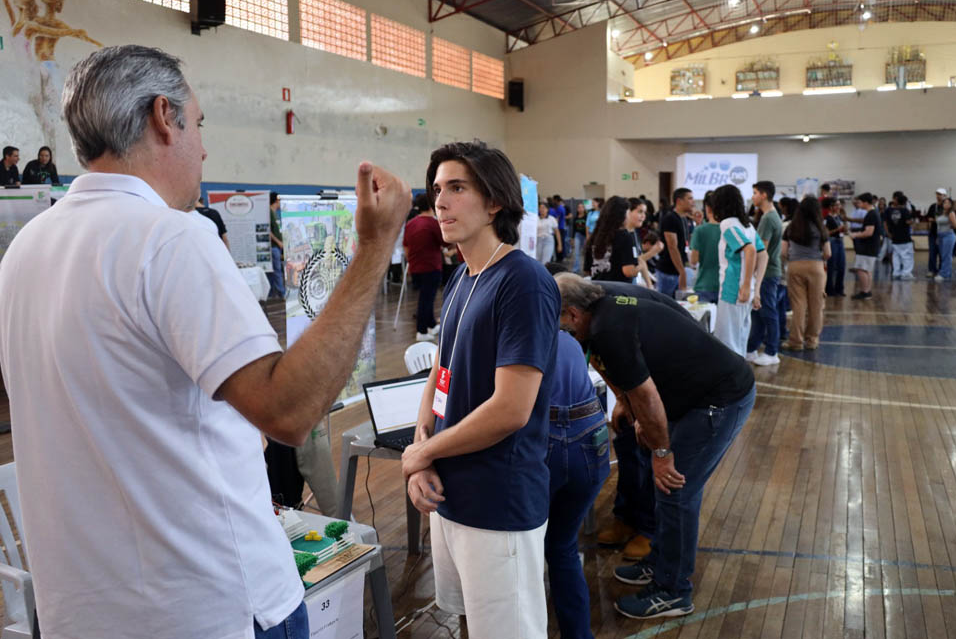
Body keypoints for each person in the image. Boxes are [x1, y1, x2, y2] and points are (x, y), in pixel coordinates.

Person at [0, 45, 412, 639]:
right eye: (199, 124)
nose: (203, 148)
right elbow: (290, 412)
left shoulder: (26, 249)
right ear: (163, 117)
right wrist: (373, 248)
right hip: (204, 606)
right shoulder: (171, 238)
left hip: (82, 609)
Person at [401, 141, 559, 638]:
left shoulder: (524, 282)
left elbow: (511, 409)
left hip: (498, 502)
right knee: (470, 622)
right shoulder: (462, 277)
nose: (440, 202)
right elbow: (440, 369)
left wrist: (423, 453)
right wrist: (422, 450)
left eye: (457, 188)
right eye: (436, 189)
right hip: (450, 494)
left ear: (494, 202)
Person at [555, 273, 757, 620]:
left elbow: (647, 395)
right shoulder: (604, 294)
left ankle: (673, 590)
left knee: (675, 488)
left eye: (560, 324)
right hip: (696, 393)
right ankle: (663, 562)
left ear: (573, 314)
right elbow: (671, 316)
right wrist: (624, 401)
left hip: (719, 399)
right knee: (665, 486)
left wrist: (663, 453)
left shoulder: (608, 329)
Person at [545, 329, 609, 639]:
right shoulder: (569, 341)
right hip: (592, 441)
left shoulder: (517, 341)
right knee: (562, 546)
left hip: (546, 441)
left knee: (522, 550)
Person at [713, 184, 767, 356]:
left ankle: (732, 373)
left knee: (727, 344)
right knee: (740, 341)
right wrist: (755, 289)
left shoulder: (727, 224)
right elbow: (763, 255)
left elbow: (750, 250)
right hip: (745, 292)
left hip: (733, 290)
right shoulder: (748, 226)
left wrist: (745, 286)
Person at [782, 196, 831, 351]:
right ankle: (812, 340)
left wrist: (793, 259)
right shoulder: (821, 229)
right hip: (816, 268)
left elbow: (783, 252)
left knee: (798, 306)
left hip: (795, 267)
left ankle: (796, 342)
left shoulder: (791, 227)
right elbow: (828, 253)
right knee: (816, 306)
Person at [746, 180, 782, 366]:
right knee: (758, 313)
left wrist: (751, 276)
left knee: (768, 312)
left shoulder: (768, 219)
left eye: (755, 193)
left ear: (764, 195)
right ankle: (751, 348)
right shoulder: (772, 216)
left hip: (767, 273)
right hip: (768, 271)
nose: (752, 197)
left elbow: (761, 252)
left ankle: (771, 351)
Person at [404, 193, 446, 341]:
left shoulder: (410, 224)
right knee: (426, 299)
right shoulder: (433, 223)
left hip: (415, 267)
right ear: (431, 205)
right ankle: (421, 331)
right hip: (431, 266)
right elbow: (445, 241)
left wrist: (411, 262)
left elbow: (406, 246)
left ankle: (431, 324)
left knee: (426, 297)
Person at [585, 196, 637, 283]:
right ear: (622, 216)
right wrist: (641, 266)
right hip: (618, 289)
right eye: (628, 213)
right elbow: (628, 271)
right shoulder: (625, 237)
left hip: (597, 287)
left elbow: (587, 270)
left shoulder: (595, 236)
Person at [655, 188, 693, 297]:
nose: (692, 202)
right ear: (679, 201)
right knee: (665, 303)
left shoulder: (684, 219)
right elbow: (672, 247)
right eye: (689, 198)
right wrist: (682, 272)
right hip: (668, 272)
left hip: (678, 270)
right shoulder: (670, 218)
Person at [688, 191, 721, 303]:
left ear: (707, 208)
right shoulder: (729, 229)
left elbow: (693, 261)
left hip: (704, 284)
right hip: (725, 286)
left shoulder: (700, 230)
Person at [849, 192, 881, 300]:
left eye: (860, 202)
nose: (858, 204)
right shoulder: (873, 213)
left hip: (867, 247)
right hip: (872, 246)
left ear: (866, 202)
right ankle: (867, 291)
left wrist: (855, 235)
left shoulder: (871, 214)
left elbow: (869, 232)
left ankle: (865, 292)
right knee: (867, 270)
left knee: (861, 269)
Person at [626, 197, 662, 288]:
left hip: (631, 284)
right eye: (640, 212)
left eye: (644, 213)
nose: (643, 216)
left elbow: (641, 260)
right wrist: (653, 252)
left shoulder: (634, 233)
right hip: (622, 285)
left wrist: (649, 285)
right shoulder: (622, 235)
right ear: (628, 212)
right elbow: (637, 262)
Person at [886, 191, 915, 279]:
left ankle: (896, 272)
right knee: (907, 256)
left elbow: (886, 222)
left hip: (894, 236)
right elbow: (908, 221)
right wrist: (913, 221)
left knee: (896, 255)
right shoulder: (905, 211)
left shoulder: (890, 211)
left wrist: (889, 233)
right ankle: (906, 273)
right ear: (905, 202)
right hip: (904, 237)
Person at [824, 197, 847, 296]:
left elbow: (845, 230)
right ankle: (829, 289)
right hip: (832, 241)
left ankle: (839, 289)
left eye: (839, 205)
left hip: (840, 241)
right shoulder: (827, 219)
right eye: (837, 205)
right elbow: (826, 233)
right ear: (831, 207)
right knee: (831, 266)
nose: (839, 207)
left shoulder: (839, 217)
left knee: (841, 266)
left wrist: (845, 226)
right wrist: (837, 229)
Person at [934, 197, 956, 281]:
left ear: (951, 205)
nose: (946, 204)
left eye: (948, 203)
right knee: (943, 256)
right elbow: (938, 226)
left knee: (946, 256)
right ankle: (947, 273)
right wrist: (938, 237)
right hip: (940, 236)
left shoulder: (951, 213)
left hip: (948, 235)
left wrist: (948, 226)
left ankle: (944, 274)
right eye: (945, 202)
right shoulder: (941, 213)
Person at [267, 190, 285, 299]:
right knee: (277, 270)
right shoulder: (269, 213)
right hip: (274, 247)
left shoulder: (275, 213)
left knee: (275, 270)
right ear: (276, 201)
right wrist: (278, 242)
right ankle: (281, 292)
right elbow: (268, 231)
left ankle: (273, 292)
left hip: (277, 247)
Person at [926, 187, 946, 277]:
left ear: (944, 196)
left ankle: (942, 270)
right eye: (937, 194)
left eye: (940, 194)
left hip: (943, 233)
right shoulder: (933, 206)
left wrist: (936, 220)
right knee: (932, 252)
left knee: (942, 252)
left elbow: (946, 219)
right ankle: (932, 270)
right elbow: (929, 219)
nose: (938, 196)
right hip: (933, 233)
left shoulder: (946, 207)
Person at [571, 201, 587, 273]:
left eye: (581, 207)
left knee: (585, 252)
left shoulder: (586, 217)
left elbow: (588, 227)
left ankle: (586, 268)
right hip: (577, 235)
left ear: (584, 208)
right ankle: (576, 268)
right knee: (576, 252)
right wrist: (572, 238)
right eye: (579, 207)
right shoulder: (575, 218)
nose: (580, 209)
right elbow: (573, 228)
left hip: (585, 235)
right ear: (577, 209)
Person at [551, 194, 567, 260]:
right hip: (559, 228)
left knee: (560, 243)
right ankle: (559, 257)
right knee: (558, 243)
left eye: (553, 200)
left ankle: (560, 258)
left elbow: (557, 219)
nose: (552, 201)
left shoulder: (560, 208)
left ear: (556, 200)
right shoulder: (557, 208)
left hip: (560, 228)